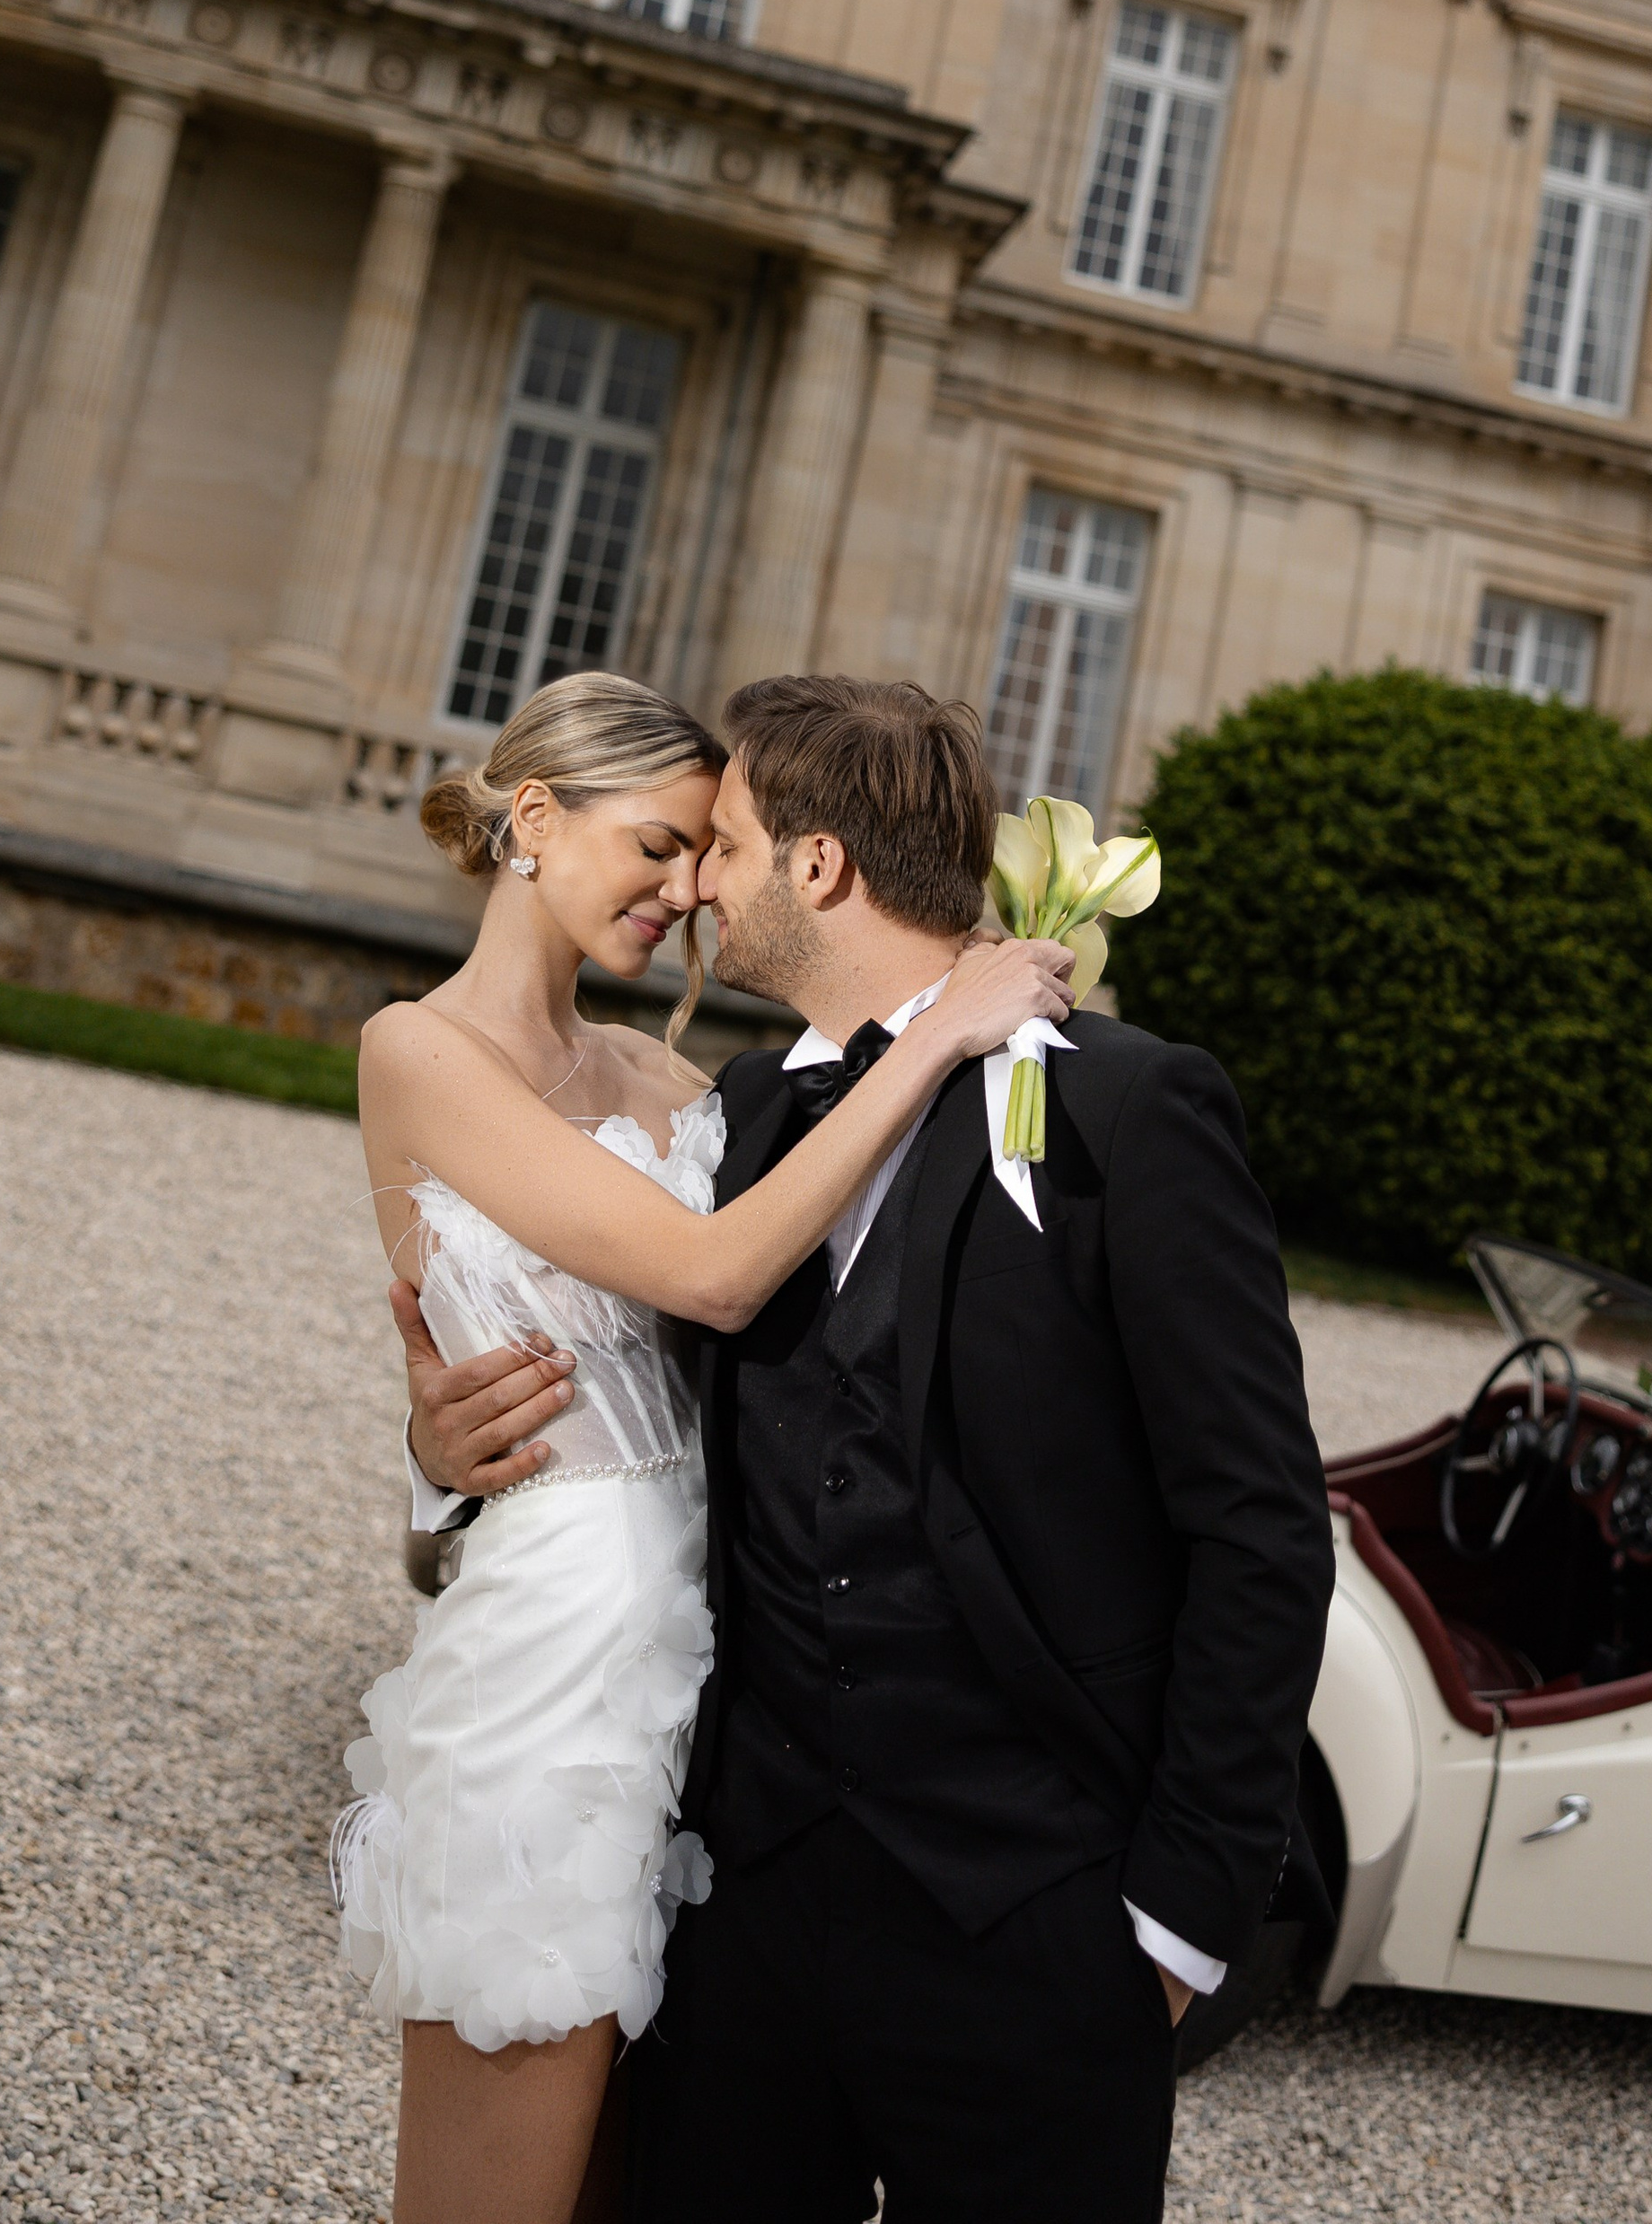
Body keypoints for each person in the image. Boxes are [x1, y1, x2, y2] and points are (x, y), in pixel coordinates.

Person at [408, 672, 1334, 2224]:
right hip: (747, 1909)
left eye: (727, 845)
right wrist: (449, 1436)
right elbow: (634, 1378)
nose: (695, 883)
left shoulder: (1129, 1112)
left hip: (1037, 1916)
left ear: (817, 868)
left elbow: (1261, 1530)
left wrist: (1180, 1921)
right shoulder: (746, 1117)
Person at [334, 669, 1075, 2224]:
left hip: (718, 1685)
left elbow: (776, 1345)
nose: (683, 891)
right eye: (657, 847)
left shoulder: (680, 1083)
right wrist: (936, 1041)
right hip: (554, 1666)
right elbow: (713, 1275)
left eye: (702, 853)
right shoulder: (416, 1052)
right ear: (533, 819)